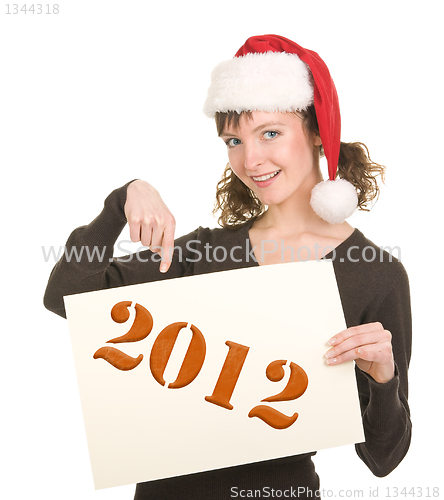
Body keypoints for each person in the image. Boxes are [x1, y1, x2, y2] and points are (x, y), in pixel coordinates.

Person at [44, 34, 411, 499]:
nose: (250, 159)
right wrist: (121, 201)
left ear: (318, 131)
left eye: (271, 133)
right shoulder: (204, 253)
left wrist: (384, 379)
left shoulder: (375, 274)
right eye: (234, 140)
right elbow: (64, 295)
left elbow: (385, 457)